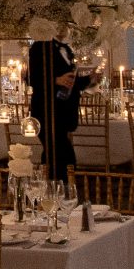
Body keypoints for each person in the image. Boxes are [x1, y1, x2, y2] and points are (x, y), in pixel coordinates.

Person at [27, 37, 83, 181]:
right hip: (46, 111)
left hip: (63, 113)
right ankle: (57, 191)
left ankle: (53, 191)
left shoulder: (67, 49)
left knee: (58, 154)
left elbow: (70, 81)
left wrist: (90, 80)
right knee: (61, 155)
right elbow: (30, 77)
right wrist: (55, 80)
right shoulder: (39, 47)